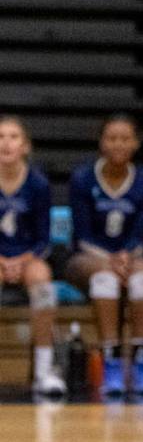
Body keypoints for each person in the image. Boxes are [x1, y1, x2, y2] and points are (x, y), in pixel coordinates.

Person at [66, 114, 143, 396]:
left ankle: (141, 357)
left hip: (130, 256)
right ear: (102, 142)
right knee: (105, 278)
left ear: (136, 143)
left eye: (125, 138)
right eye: (112, 138)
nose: (118, 144)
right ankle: (112, 358)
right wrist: (109, 261)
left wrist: (126, 257)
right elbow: (82, 233)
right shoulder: (82, 179)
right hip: (87, 257)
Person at [0, 116, 65, 396]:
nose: (6, 143)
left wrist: (20, 262)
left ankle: (43, 370)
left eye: (14, 137)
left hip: (27, 257)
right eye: (1, 136)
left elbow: (43, 238)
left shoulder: (37, 183)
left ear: (26, 146)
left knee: (43, 281)